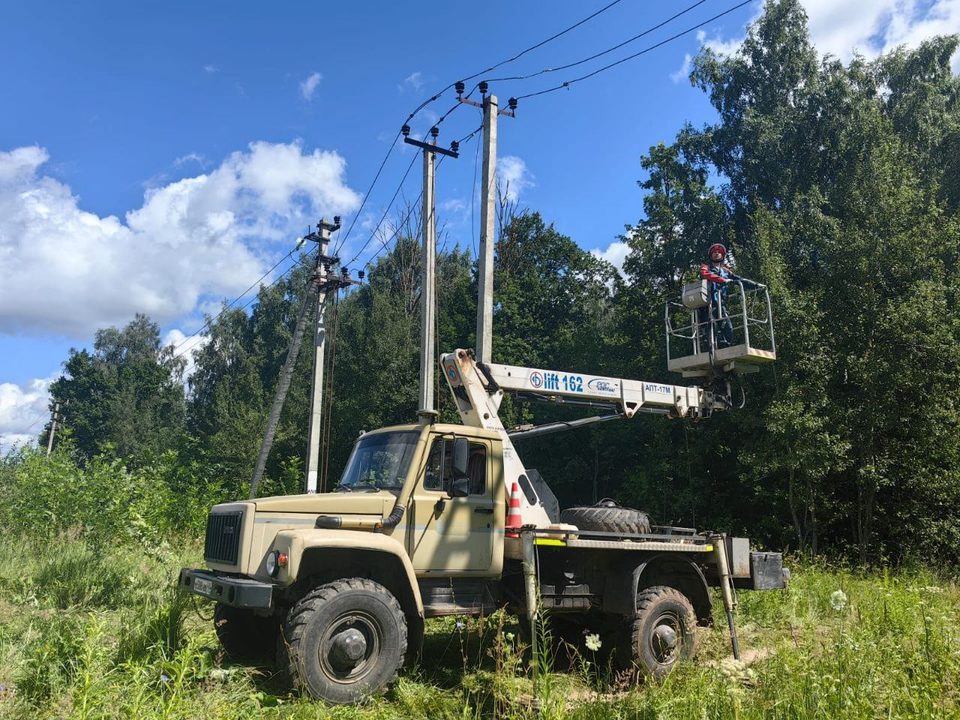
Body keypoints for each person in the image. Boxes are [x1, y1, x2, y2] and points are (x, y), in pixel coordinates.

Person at [698, 243, 751, 349]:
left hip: (722, 304)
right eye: (714, 252)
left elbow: (738, 279)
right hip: (709, 304)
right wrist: (722, 280)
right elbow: (704, 274)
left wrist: (753, 285)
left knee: (728, 328)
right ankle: (709, 348)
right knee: (711, 327)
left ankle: (724, 346)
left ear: (722, 256)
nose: (717, 253)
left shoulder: (726, 271)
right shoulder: (706, 267)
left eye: (719, 252)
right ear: (711, 255)